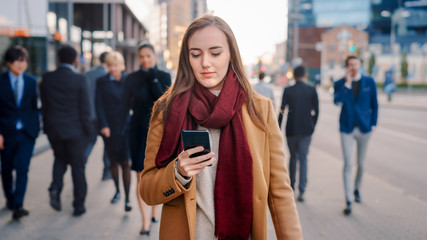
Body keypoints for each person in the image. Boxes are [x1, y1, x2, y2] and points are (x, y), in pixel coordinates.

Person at [139, 14, 303, 240]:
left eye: (215, 53)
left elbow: (280, 193)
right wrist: (178, 172)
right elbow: (147, 190)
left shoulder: (259, 109)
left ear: (231, 56)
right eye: (195, 54)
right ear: (187, 59)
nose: (205, 62)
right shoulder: (166, 109)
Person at [121, 43, 171, 235]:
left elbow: (164, 104)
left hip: (159, 134)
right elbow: (124, 106)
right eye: (141, 56)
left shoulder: (164, 77)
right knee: (140, 177)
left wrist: (153, 81)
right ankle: (145, 222)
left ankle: (155, 210)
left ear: (154, 56)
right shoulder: (131, 78)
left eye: (148, 56)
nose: (144, 60)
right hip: (137, 132)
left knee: (157, 174)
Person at [40, 45, 93, 217]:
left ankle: (55, 187)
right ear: (75, 60)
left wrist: (47, 128)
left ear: (58, 59)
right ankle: (79, 206)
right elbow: (85, 109)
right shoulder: (79, 80)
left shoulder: (47, 79)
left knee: (60, 159)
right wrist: (89, 131)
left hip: (54, 130)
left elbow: (45, 106)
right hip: (75, 131)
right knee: (78, 167)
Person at [333, 55, 378, 216]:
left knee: (361, 164)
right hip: (347, 128)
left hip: (365, 128)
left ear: (359, 65)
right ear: (346, 67)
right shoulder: (340, 83)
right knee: (348, 163)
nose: (353, 67)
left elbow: (375, 104)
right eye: (350, 65)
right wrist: (347, 84)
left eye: (355, 64)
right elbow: (337, 102)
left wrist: (373, 124)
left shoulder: (369, 82)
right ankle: (349, 199)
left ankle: (357, 188)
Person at [0, 46, 40, 220]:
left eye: (24, 60)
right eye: (17, 60)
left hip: (26, 134)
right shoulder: (0, 81)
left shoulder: (31, 81)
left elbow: (33, 107)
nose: (21, 64)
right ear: (9, 62)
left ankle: (18, 205)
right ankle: (10, 198)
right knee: (7, 169)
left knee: (23, 169)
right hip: (5, 134)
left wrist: (35, 129)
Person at [95, 51, 132, 212]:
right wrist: (103, 125)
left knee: (126, 162)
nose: (112, 68)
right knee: (113, 161)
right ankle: (117, 191)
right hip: (109, 127)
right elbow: (99, 105)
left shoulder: (127, 81)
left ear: (121, 65)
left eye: (115, 65)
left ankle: (128, 198)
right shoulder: (101, 82)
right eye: (110, 65)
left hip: (126, 126)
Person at [278, 65, 319, 202]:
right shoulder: (311, 90)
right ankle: (302, 189)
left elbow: (282, 111)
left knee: (293, 157)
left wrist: (278, 127)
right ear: (305, 75)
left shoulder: (288, 90)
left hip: (291, 129)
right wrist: (312, 125)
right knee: (304, 158)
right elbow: (316, 111)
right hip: (307, 130)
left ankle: (291, 187)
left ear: (294, 76)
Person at [85, 51, 112, 180]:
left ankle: (81, 163)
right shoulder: (109, 76)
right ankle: (106, 171)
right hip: (105, 117)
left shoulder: (87, 74)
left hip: (90, 116)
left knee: (90, 142)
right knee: (108, 146)